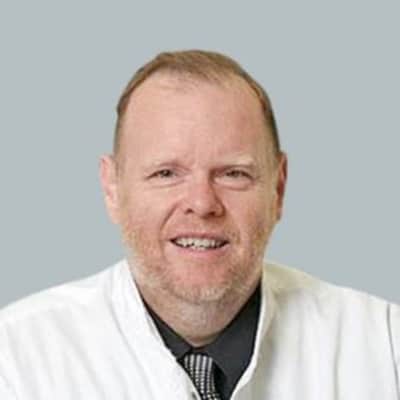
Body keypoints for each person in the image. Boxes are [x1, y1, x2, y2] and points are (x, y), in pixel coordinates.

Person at [0, 50, 399, 400]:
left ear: (278, 188)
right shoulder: (17, 359)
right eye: (166, 173)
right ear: (113, 189)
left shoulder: (385, 346)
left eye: (233, 174)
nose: (202, 203)